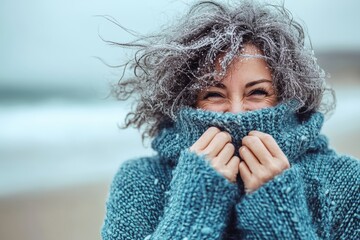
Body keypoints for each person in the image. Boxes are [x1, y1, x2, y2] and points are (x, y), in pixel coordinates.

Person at [101, 1, 359, 239]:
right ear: (186, 100)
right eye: (214, 94)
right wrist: (192, 211)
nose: (236, 113)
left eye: (257, 92)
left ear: (286, 96)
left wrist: (282, 219)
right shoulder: (139, 181)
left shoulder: (343, 181)